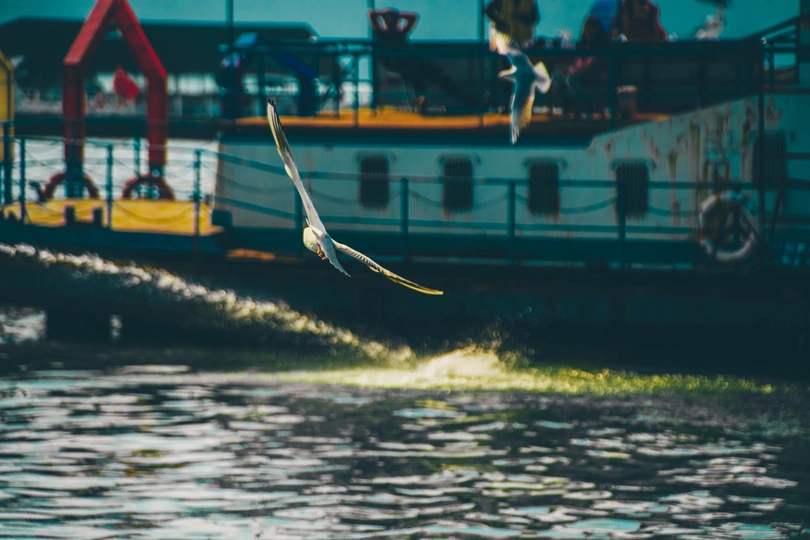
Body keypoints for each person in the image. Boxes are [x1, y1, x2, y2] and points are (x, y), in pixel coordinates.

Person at [369, 7, 479, 114]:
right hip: (401, 67)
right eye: (390, 20)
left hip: (417, 63)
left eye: (395, 21)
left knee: (442, 78)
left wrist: (397, 15)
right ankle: (420, 100)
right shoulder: (381, 33)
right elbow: (371, 14)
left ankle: (470, 101)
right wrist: (385, 13)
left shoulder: (401, 33)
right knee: (416, 75)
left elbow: (414, 17)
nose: (392, 23)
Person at [553, 16, 612, 118]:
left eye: (591, 28)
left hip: (594, 74)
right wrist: (571, 69)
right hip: (581, 71)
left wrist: (579, 70)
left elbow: (596, 63)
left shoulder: (601, 44)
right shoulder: (583, 44)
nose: (588, 31)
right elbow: (579, 62)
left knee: (571, 79)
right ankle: (567, 108)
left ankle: (585, 105)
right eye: (587, 28)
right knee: (556, 77)